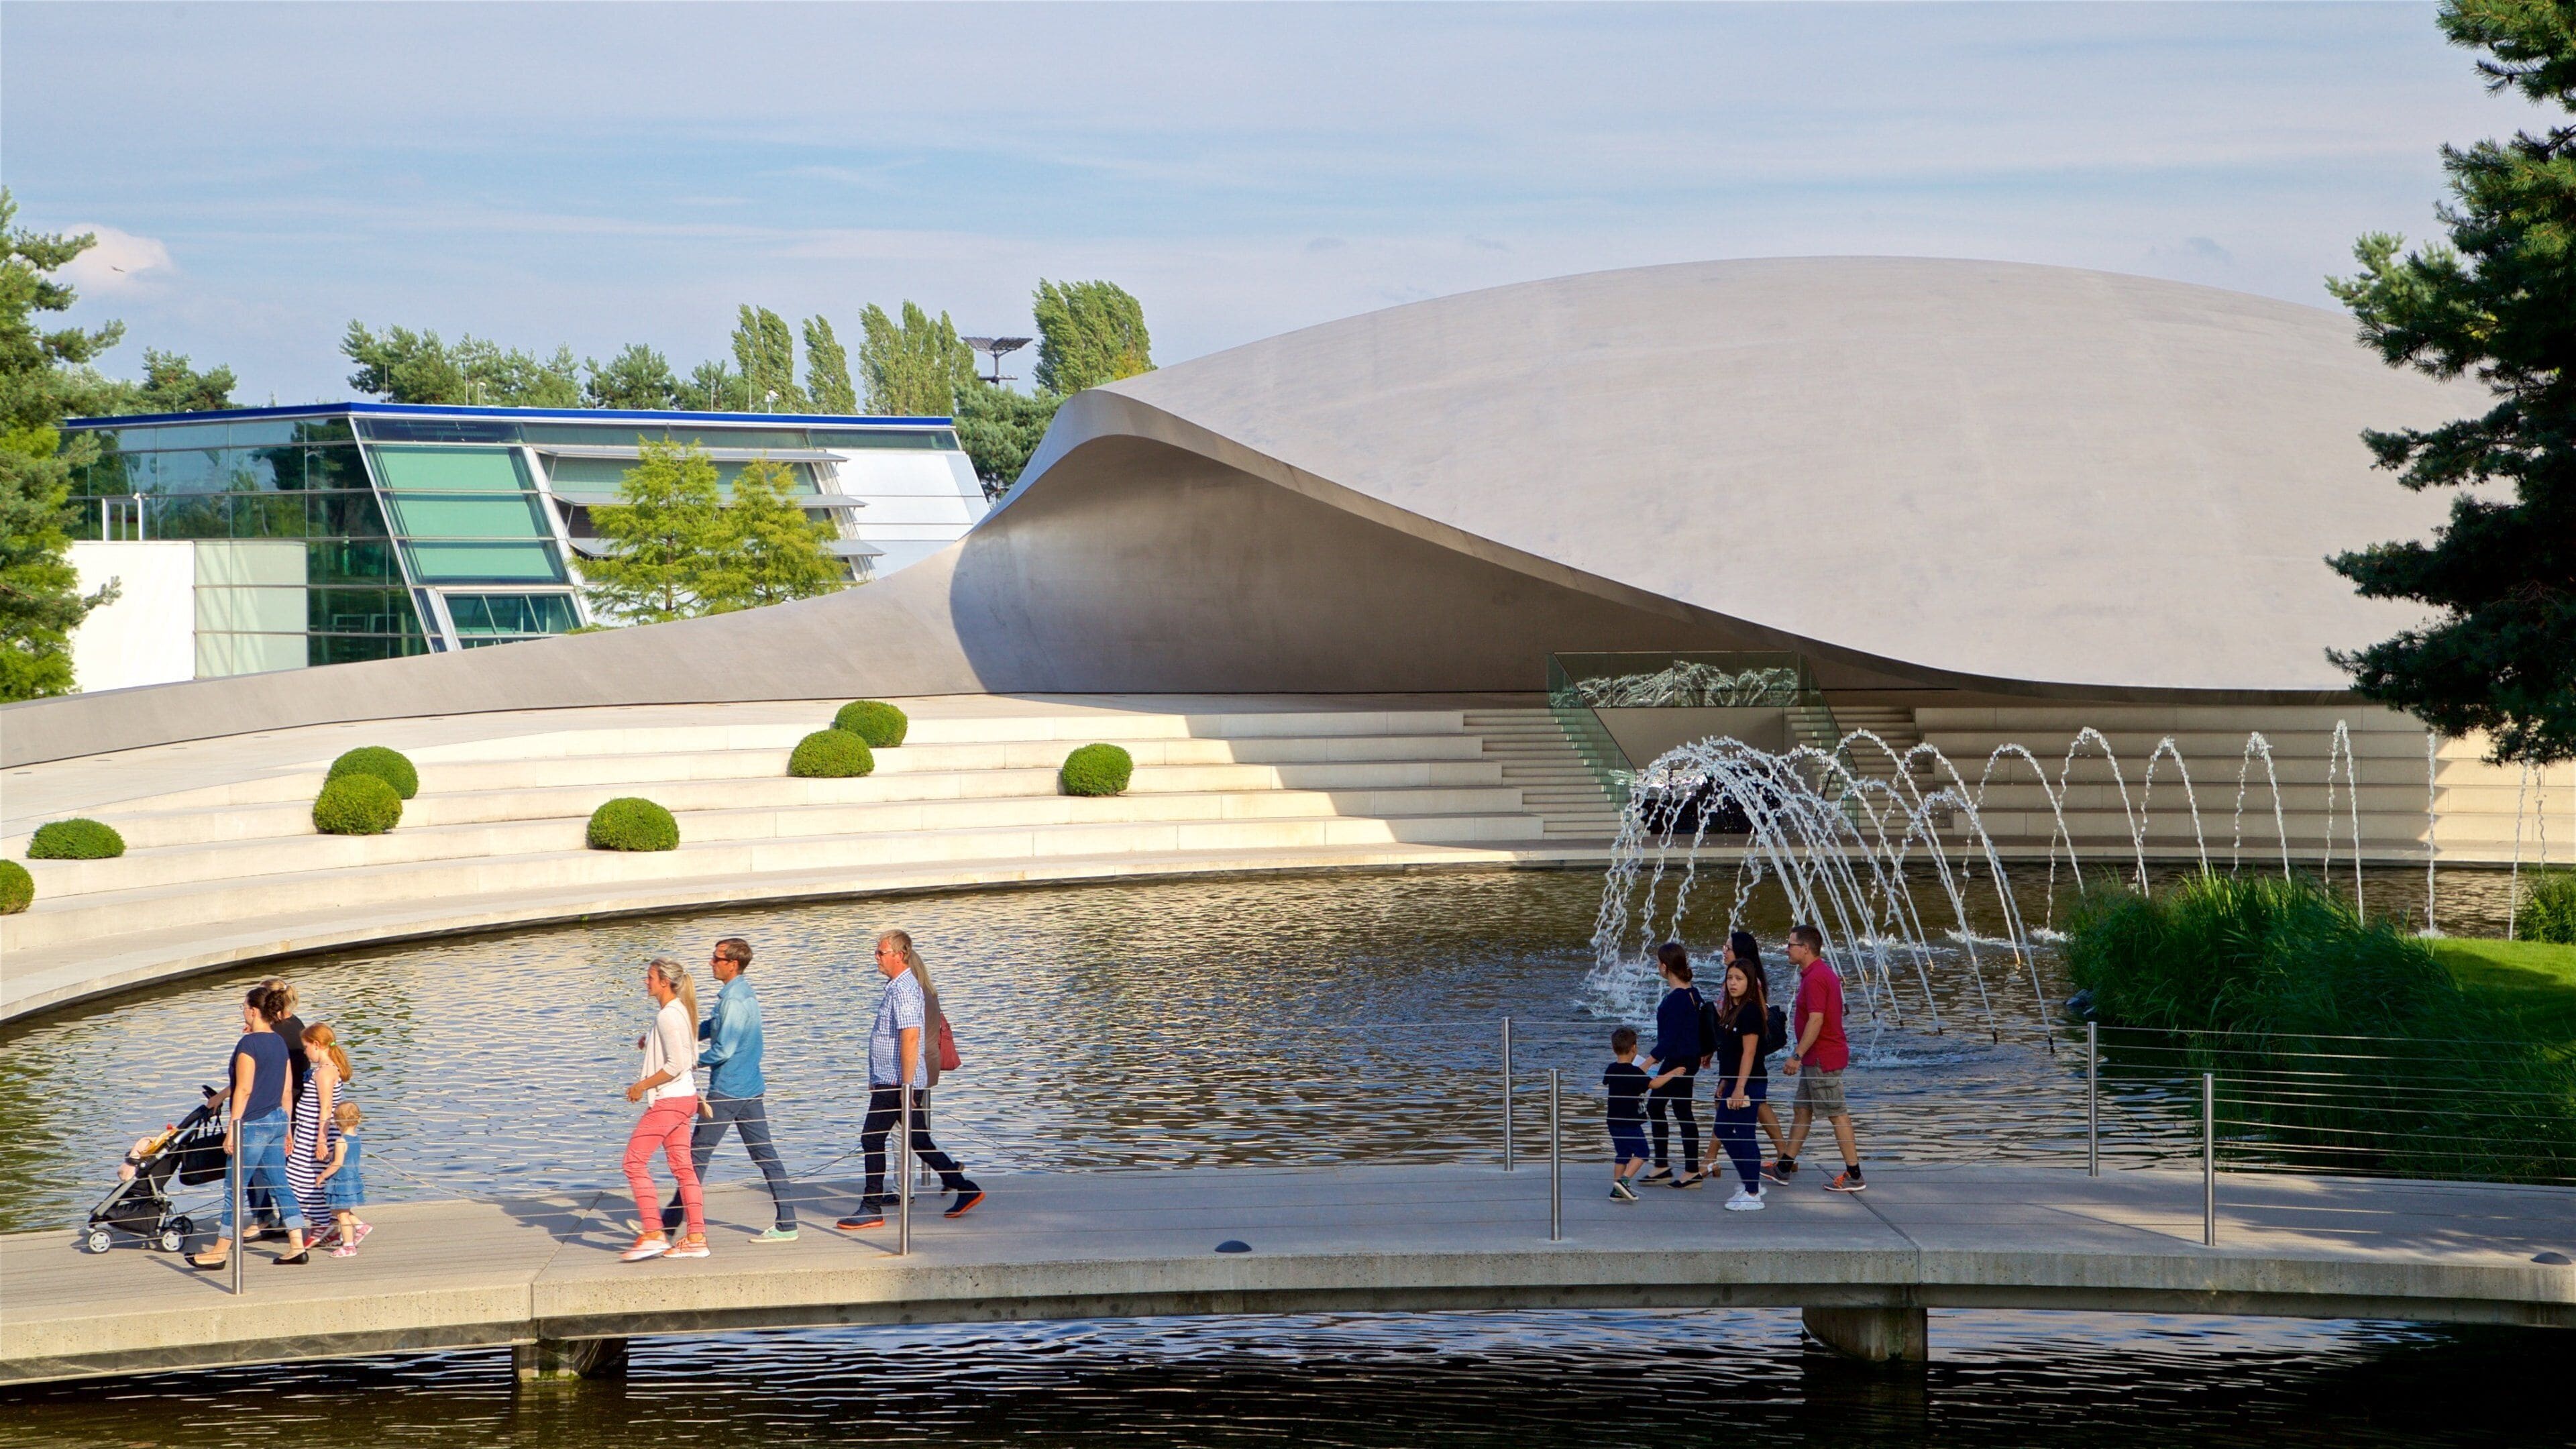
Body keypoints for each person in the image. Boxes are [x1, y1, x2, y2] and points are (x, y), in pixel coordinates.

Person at [654, 937, 800, 1242]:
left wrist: (687, 1061)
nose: (711, 962)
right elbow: (714, 1026)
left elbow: (723, 1050)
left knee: (696, 1157)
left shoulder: (733, 1000)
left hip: (729, 1091)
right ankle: (788, 1223)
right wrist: (683, 1032)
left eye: (717, 959)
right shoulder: (740, 993)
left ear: (732, 964)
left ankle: (668, 1226)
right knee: (764, 1155)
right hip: (749, 1088)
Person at [836, 930, 981, 1229]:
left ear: (899, 955)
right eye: (876, 952)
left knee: (871, 1138)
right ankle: (965, 1188)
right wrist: (875, 1076)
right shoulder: (896, 987)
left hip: (896, 1081)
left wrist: (904, 1085)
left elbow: (910, 1037)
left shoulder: (904, 989)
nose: (876, 958)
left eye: (881, 953)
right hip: (889, 1079)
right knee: (918, 1139)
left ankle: (871, 1206)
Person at [190, 985, 305, 1269]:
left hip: (252, 1124)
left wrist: (233, 1128)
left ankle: (219, 1251)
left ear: (254, 1011)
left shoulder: (248, 1045)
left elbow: (243, 1091)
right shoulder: (278, 1041)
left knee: (234, 1188)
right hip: (278, 1119)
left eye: (243, 1006)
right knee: (281, 1184)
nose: (242, 1010)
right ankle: (297, 1245)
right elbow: (287, 1089)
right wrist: (288, 1128)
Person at [620, 957, 708, 1263]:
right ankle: (696, 1238)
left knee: (633, 1162)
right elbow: (687, 1053)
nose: (646, 982)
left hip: (670, 1101)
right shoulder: (679, 1012)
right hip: (686, 1099)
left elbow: (677, 1065)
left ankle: (654, 1233)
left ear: (664, 982)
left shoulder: (668, 1016)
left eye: (649, 977)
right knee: (684, 1170)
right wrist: (651, 1042)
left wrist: (641, 1085)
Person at [1772, 924, 1865, 1193]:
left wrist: (1796, 1055)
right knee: (1802, 1110)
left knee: (1837, 1113)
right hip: (1816, 1058)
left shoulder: (1816, 978)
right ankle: (1784, 1167)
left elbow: (1816, 1020)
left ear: (1806, 948)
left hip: (1821, 1058)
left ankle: (1854, 1175)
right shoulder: (1815, 974)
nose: (1787, 949)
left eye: (1791, 945)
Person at [1726, 931, 1795, 1165]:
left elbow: (1752, 1025)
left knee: (1733, 1108)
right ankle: (1785, 1154)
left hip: (1744, 1056)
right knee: (1756, 1104)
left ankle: (1709, 1160)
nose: (1724, 952)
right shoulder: (1738, 979)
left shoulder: (1750, 985)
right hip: (1737, 1055)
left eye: (1728, 948)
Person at [1639, 942, 1704, 1188]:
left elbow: (1670, 1038)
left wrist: (1646, 1063)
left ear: (1665, 967)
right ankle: (1662, 1165)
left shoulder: (1678, 999)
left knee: (1682, 1113)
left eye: (1658, 963)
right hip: (1686, 1059)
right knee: (1657, 1107)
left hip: (1679, 1062)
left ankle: (1691, 1171)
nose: (1657, 967)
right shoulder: (1692, 993)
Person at [1709, 955, 1770, 1211]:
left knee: (1745, 1134)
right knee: (1723, 1130)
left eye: (1739, 979)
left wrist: (1740, 1087)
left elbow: (1749, 1053)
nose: (1733, 983)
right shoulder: (1732, 1010)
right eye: (1730, 978)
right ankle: (1749, 1179)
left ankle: (1753, 1191)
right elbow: (1731, 1053)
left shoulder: (1751, 1012)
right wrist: (1725, 1080)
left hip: (1749, 1083)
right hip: (1733, 1081)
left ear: (1749, 982)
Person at [285, 1022, 351, 1256]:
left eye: (306, 1047)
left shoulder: (325, 1072)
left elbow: (326, 1109)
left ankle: (322, 1222)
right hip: (309, 1132)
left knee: (294, 1177)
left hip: (315, 1134)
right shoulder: (322, 1069)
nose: (304, 1052)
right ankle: (326, 1225)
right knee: (310, 1179)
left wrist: (321, 1141)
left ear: (316, 1045)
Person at [1602, 1026, 1650, 1201]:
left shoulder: (1611, 1068)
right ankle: (1623, 1182)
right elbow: (1655, 1084)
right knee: (1643, 1152)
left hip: (1613, 1121)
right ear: (1634, 1048)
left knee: (1622, 1153)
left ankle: (1616, 1189)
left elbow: (1606, 1081)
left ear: (1614, 1049)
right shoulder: (1636, 1072)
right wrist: (1673, 1074)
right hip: (1630, 1122)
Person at [317, 1098, 370, 1258]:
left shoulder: (341, 1141)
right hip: (352, 1179)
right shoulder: (356, 1139)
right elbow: (346, 1156)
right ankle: (361, 1226)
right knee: (339, 1210)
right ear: (358, 1119)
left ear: (337, 1122)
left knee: (342, 1215)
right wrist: (330, 1155)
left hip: (342, 1181)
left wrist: (322, 1175)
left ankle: (348, 1246)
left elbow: (337, 1164)